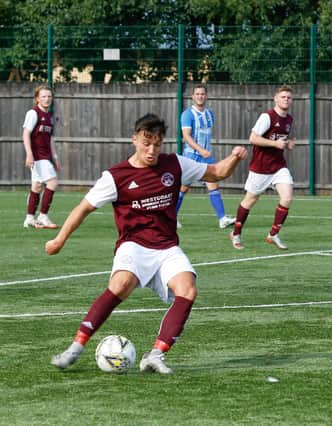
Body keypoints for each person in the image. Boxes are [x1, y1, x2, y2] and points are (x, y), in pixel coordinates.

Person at [47, 113, 247, 374]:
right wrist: (59, 239)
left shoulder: (175, 164)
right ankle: (75, 348)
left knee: (188, 290)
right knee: (120, 285)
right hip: (134, 245)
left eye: (157, 143)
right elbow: (83, 208)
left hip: (166, 246)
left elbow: (216, 172)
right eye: (146, 142)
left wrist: (234, 157)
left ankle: (155, 355)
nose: (151, 150)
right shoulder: (116, 176)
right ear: (134, 139)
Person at [229, 84, 296, 250]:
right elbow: (253, 138)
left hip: (279, 166)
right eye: (283, 97)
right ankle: (236, 233)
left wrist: (287, 145)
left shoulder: (289, 119)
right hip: (261, 167)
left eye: (288, 97)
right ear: (275, 99)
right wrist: (275, 143)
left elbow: (280, 141)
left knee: (287, 197)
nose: (286, 100)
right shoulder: (267, 116)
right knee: (250, 200)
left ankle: (273, 234)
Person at [176, 84, 236, 230]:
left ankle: (222, 219)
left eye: (202, 94)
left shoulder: (210, 114)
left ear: (206, 96)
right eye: (197, 94)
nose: (200, 96)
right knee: (182, 188)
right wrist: (200, 150)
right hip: (191, 156)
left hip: (206, 157)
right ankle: (171, 218)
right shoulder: (187, 114)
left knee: (213, 183)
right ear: (193, 96)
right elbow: (186, 137)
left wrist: (206, 151)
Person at [22, 85, 60, 229]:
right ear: (37, 98)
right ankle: (43, 216)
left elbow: (50, 139)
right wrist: (29, 154)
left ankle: (29, 218)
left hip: (45, 156)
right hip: (38, 156)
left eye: (49, 96)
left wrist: (55, 158)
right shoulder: (33, 113)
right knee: (53, 183)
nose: (47, 99)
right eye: (43, 96)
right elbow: (26, 134)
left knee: (37, 187)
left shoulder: (50, 116)